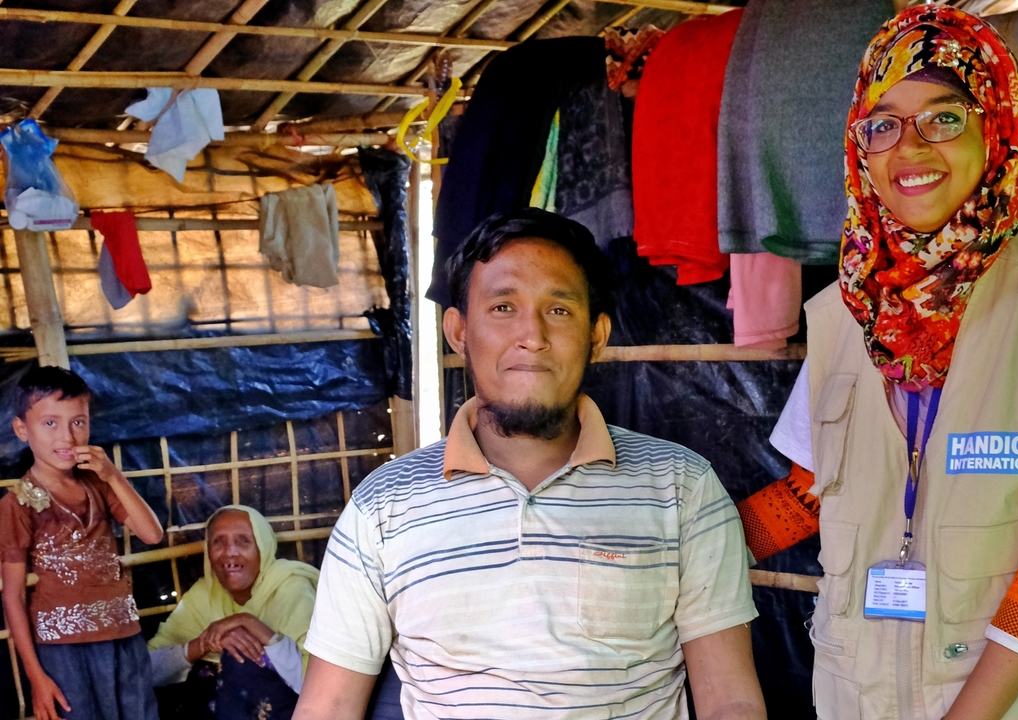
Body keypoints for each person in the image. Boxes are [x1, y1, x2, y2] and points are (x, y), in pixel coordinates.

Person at [734, 6, 1018, 719]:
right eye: (884, 122)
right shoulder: (846, 313)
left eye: (943, 116)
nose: (910, 146)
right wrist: (667, 538)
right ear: (858, 146)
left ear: (997, 122)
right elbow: (809, 494)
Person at [294, 208, 765, 719]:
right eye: (502, 307)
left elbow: (730, 701)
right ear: (458, 331)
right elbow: (330, 706)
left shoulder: (682, 488)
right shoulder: (381, 508)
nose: (532, 335)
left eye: (559, 310)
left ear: (597, 336)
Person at [0, 366, 165, 720]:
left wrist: (112, 475)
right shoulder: (17, 504)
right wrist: (35, 674)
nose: (67, 437)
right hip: (62, 648)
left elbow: (152, 534)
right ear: (21, 429)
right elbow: (12, 594)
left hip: (123, 633)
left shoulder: (100, 484)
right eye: (50, 423)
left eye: (78, 422)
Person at [148, 505, 319, 720]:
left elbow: (319, 686)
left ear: (263, 549)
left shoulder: (292, 590)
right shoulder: (205, 594)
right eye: (218, 541)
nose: (230, 552)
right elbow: (145, 674)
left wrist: (250, 624)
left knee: (238, 662)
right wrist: (203, 644)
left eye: (243, 541)